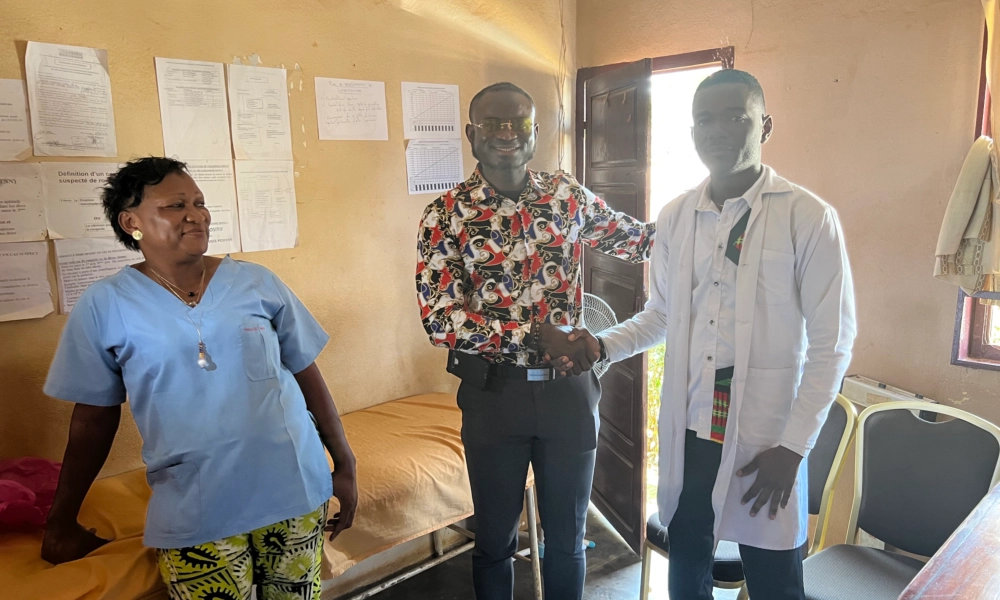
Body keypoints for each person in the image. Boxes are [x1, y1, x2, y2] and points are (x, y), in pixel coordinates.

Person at [558, 69, 856, 599]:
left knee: (774, 578)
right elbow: (664, 314)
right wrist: (603, 345)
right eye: (704, 120)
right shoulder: (676, 218)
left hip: (767, 436)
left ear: (764, 125)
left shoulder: (808, 218)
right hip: (695, 428)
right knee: (688, 559)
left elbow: (833, 342)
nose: (718, 130)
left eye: (735, 117)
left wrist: (792, 448)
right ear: (692, 131)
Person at [40, 157, 358, 600]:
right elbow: (93, 419)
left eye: (200, 202)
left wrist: (344, 464)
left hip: (295, 490)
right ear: (131, 221)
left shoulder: (255, 282)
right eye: (175, 205)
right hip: (195, 506)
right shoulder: (105, 304)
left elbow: (306, 373)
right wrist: (61, 519)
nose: (196, 215)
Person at [415, 82, 655, 600]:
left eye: (518, 123)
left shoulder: (565, 196)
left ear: (535, 134)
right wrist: (527, 335)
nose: (507, 133)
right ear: (470, 134)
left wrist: (713, 217)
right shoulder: (446, 215)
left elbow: (636, 241)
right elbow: (439, 318)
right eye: (494, 123)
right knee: (495, 542)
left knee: (568, 540)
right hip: (493, 398)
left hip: (568, 395)